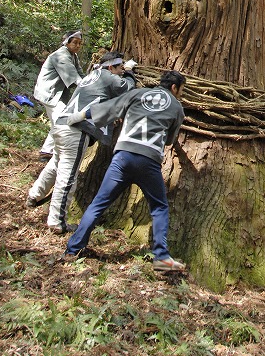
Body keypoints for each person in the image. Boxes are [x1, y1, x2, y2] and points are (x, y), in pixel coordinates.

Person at [63, 70, 186, 273]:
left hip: (123, 156)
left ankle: (73, 249)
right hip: (149, 161)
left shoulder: (137, 94)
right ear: (174, 88)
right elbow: (170, 140)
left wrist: (79, 116)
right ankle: (162, 257)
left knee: (99, 203)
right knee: (159, 207)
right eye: (181, 90)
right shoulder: (176, 107)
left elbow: (108, 108)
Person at [26, 52, 136, 234]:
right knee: (68, 176)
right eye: (119, 69)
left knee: (55, 165)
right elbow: (127, 88)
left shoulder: (92, 76)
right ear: (111, 67)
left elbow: (102, 99)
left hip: (62, 125)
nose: (120, 72)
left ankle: (34, 195)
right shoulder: (106, 75)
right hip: (76, 129)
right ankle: (56, 221)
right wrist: (130, 73)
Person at [33, 30, 84, 158]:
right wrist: (87, 86)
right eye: (75, 43)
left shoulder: (73, 56)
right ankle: (52, 152)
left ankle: (47, 151)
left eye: (79, 43)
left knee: (58, 121)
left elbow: (80, 74)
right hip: (49, 92)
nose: (77, 46)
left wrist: (91, 82)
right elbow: (74, 78)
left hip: (57, 94)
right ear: (67, 42)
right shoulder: (61, 55)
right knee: (62, 121)